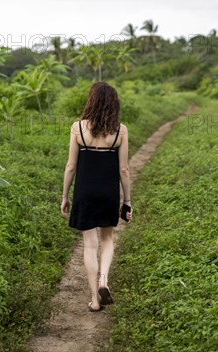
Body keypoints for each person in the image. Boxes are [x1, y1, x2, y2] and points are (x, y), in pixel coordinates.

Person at [60, 81, 133, 312]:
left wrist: (65, 196)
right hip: (108, 192)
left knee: (89, 245)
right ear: (114, 103)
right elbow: (124, 170)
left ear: (91, 101)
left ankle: (94, 299)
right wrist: (127, 201)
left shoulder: (77, 128)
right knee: (107, 240)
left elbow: (71, 165)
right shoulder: (120, 130)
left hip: (84, 192)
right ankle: (104, 280)